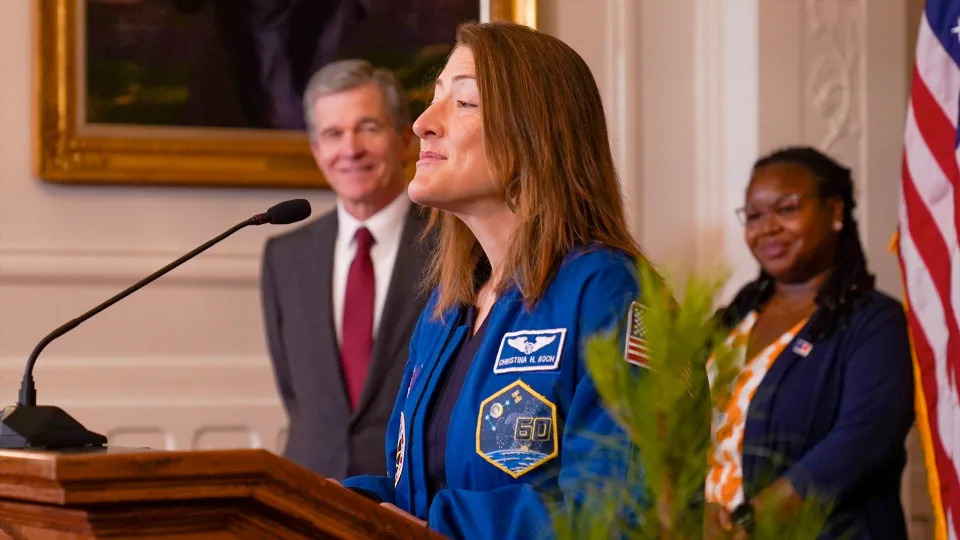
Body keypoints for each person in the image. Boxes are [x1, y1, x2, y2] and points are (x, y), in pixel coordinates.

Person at [341, 21, 648, 539]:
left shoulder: (607, 293)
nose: (421, 124)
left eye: (463, 103)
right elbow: (421, 488)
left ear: (536, 132)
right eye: (434, 98)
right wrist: (343, 504)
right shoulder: (446, 308)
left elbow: (623, 514)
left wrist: (430, 528)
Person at [704, 147, 914, 538]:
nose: (767, 227)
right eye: (754, 215)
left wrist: (749, 521)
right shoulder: (732, 320)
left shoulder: (873, 323)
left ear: (834, 211)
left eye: (786, 209)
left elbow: (861, 440)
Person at [261, 59, 432, 479]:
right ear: (317, 152)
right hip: (308, 493)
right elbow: (296, 395)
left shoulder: (453, 247)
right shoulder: (285, 256)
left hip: (414, 500)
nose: (350, 149)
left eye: (368, 128)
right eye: (333, 134)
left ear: (401, 140)